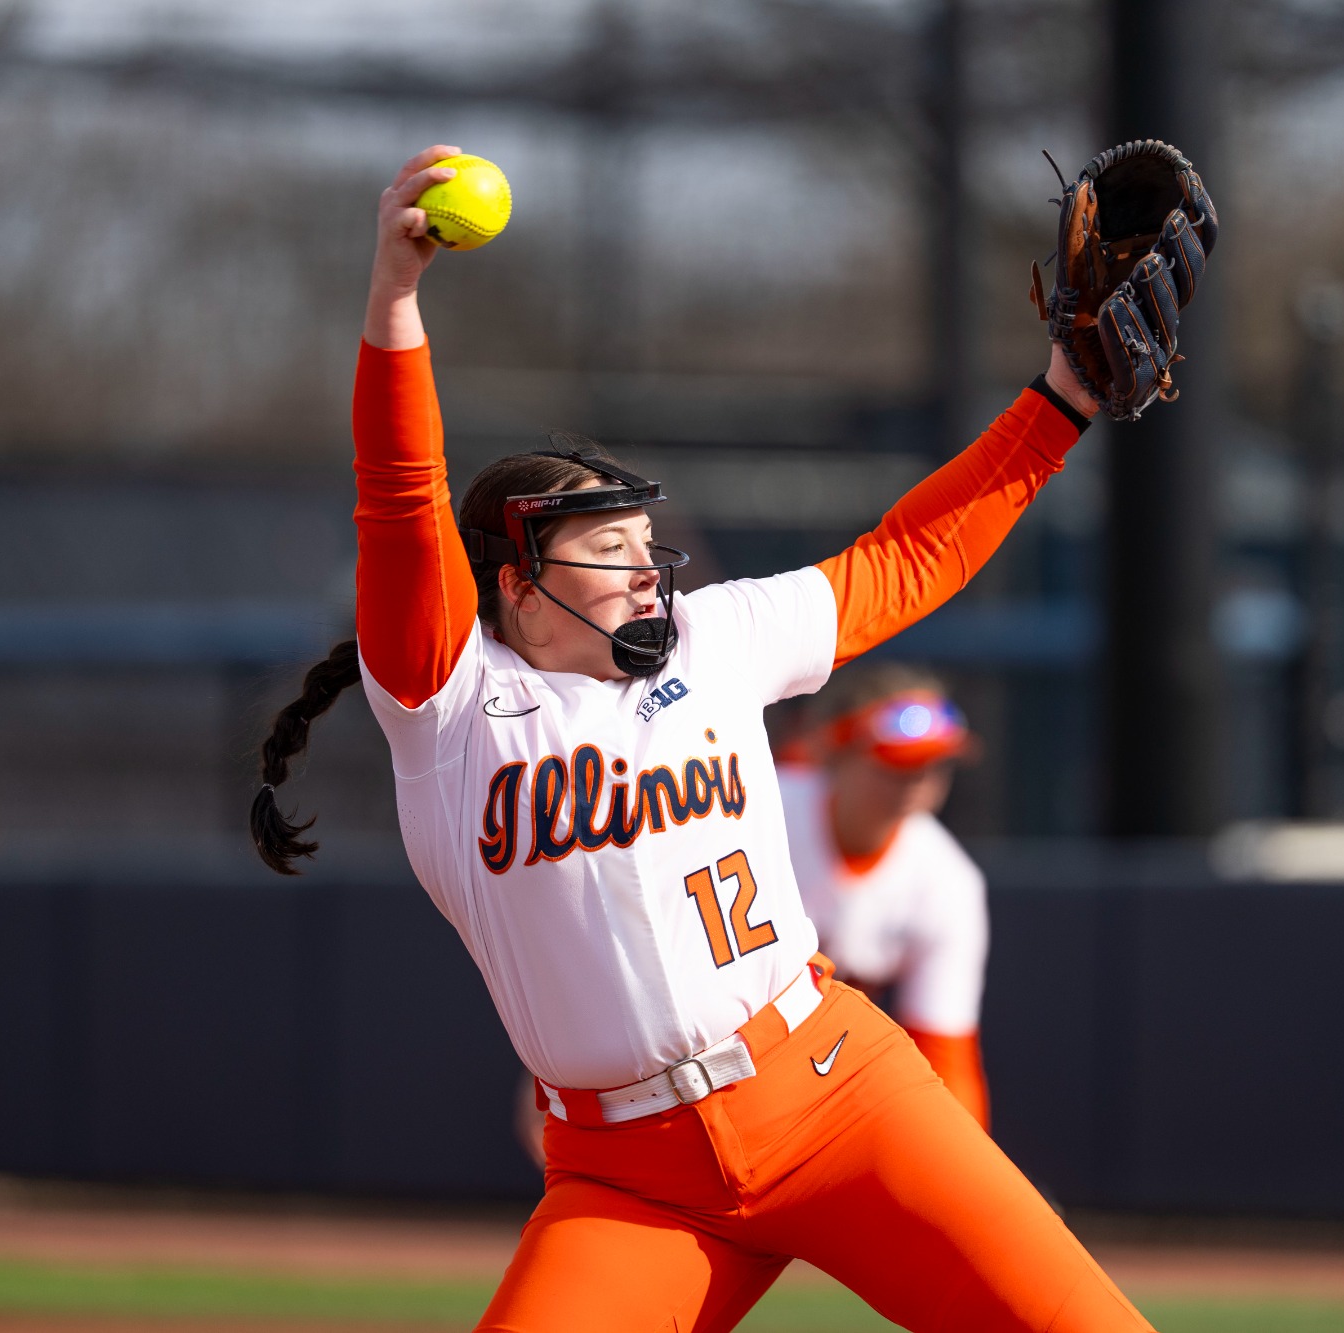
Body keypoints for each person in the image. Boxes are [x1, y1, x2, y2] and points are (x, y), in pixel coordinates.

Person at [253, 145, 1148, 1333]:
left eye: (644, 543)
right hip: (629, 1181)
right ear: (516, 583)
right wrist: (395, 297)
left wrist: (1059, 404)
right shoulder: (448, 707)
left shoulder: (713, 638)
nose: (644, 569)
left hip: (832, 1094)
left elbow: (904, 557)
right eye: (605, 548)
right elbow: (401, 496)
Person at [778, 663, 992, 1129]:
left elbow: (944, 1055)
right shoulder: (761, 812)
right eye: (897, 761)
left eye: (935, 763)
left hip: (827, 1078)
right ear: (835, 751)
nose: (918, 779)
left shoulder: (949, 881)